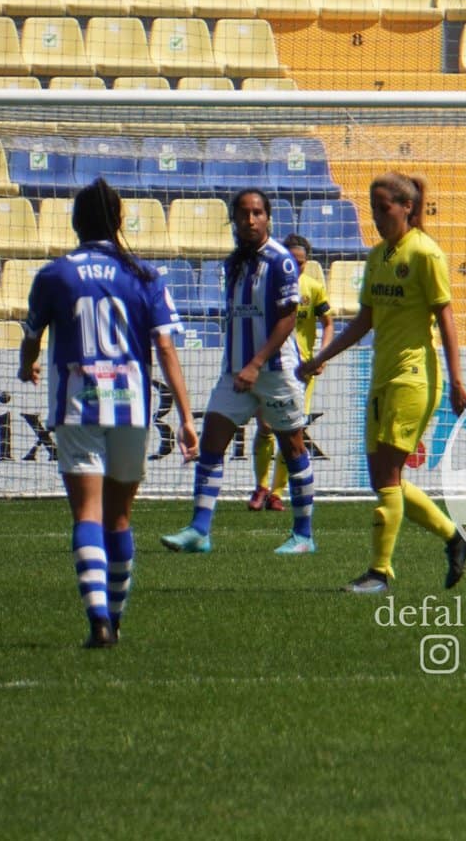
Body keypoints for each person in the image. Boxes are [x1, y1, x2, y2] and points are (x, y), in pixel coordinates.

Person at [18, 178, 199, 649]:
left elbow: (32, 334)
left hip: (78, 405)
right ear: (119, 222)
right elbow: (165, 347)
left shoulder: (55, 275)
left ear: (77, 223)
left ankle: (97, 617)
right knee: (120, 518)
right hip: (131, 407)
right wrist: (186, 415)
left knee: (87, 513)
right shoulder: (144, 276)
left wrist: (26, 364)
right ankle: (115, 618)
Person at [296, 172, 466, 594]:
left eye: (384, 207)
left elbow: (445, 318)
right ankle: (455, 537)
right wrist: (320, 357)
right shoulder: (376, 257)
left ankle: (379, 572)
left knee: (389, 477)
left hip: (414, 377)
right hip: (382, 376)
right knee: (383, 480)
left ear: (406, 207)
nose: (376, 216)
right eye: (373, 207)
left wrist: (457, 380)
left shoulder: (426, 254)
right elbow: (365, 321)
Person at [161, 189, 317, 556]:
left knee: (292, 446)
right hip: (235, 372)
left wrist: (256, 363)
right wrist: (239, 365)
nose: (250, 220)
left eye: (257, 213)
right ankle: (200, 530)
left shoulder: (282, 261)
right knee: (212, 440)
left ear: (268, 218)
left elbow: (288, 319)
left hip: (273, 371)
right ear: (234, 219)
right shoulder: (235, 263)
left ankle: (304, 535)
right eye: (244, 214)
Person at [249, 234, 334, 513]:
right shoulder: (268, 287)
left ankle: (276, 493)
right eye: (292, 262)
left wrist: (321, 354)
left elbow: (328, 323)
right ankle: (260, 487)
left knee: (292, 430)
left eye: (301, 263)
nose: (296, 267)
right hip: (270, 365)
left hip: (301, 370)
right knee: (265, 427)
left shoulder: (313, 288)